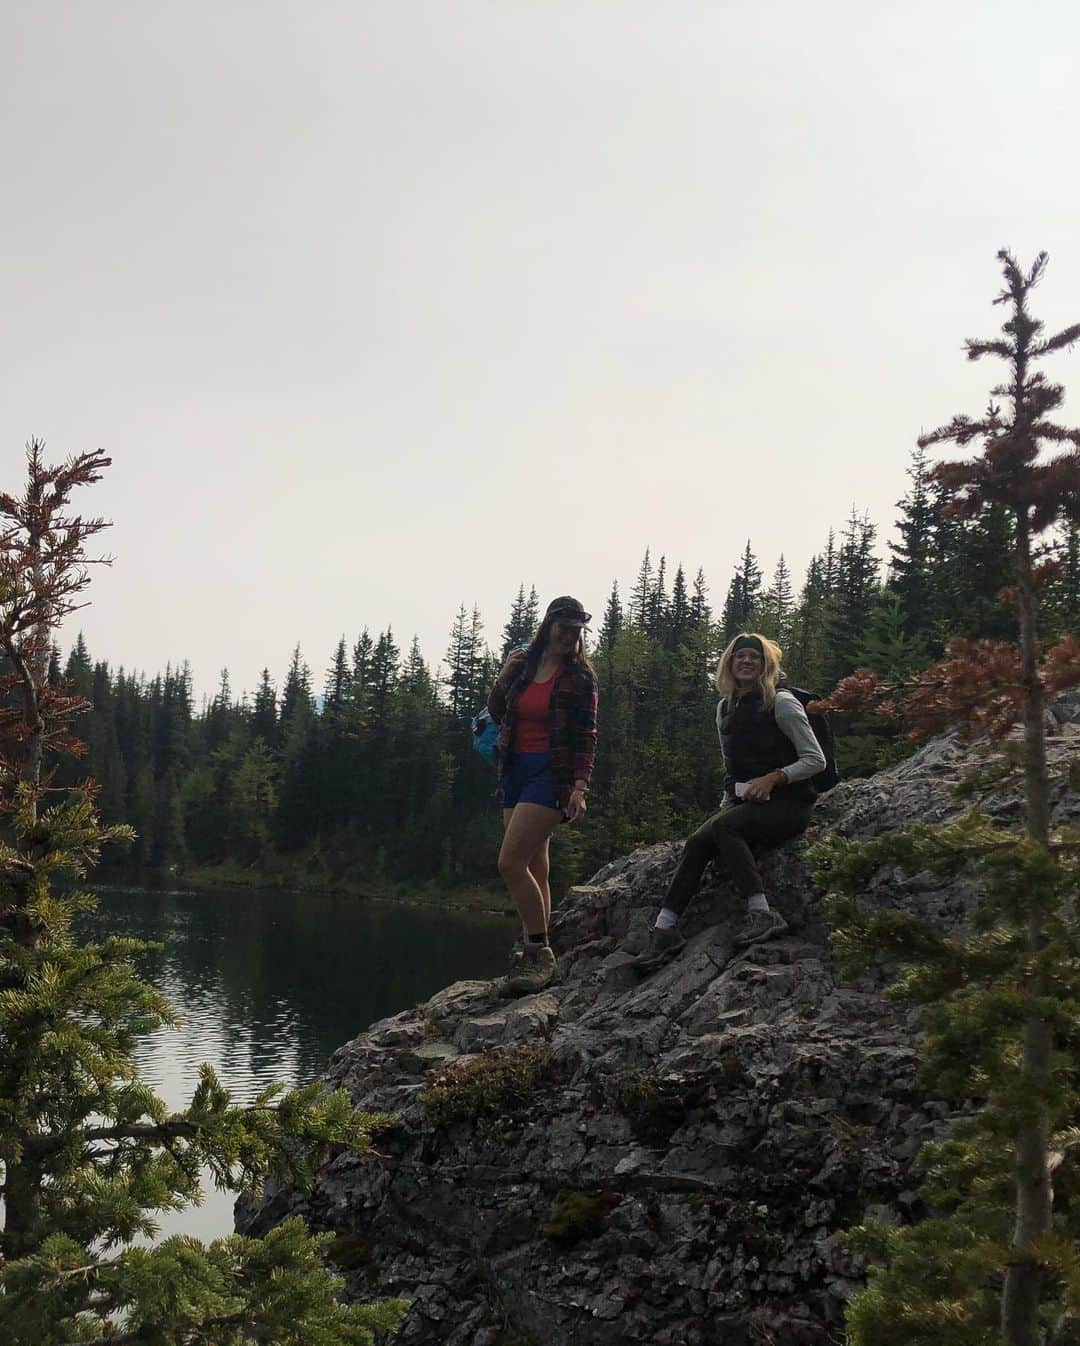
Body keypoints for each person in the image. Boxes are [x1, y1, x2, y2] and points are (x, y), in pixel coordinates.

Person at [633, 632, 825, 972]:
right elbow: (731, 766)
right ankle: (664, 930)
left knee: (725, 829)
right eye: (740, 657)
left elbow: (815, 760)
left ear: (766, 664)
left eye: (754, 657)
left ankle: (763, 913)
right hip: (747, 806)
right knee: (697, 842)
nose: (747, 661)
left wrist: (774, 777)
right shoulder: (726, 709)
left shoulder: (782, 703)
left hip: (791, 804)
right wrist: (725, 806)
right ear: (729, 664)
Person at [487, 596, 598, 993]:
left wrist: (580, 788)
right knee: (535, 865)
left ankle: (538, 950)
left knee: (509, 862)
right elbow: (498, 712)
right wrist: (503, 676)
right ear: (548, 627)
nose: (569, 636)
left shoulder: (580, 678)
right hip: (514, 769)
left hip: (552, 775)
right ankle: (536, 948)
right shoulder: (525, 665)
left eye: (576, 631)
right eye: (563, 628)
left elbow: (586, 736)